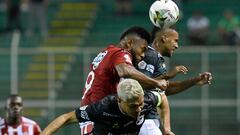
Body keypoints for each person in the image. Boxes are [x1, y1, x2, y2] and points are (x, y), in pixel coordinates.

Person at [137, 27, 213, 135]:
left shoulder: (155, 57)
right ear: (164, 38)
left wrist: (194, 81)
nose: (177, 46)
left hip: (149, 120)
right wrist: (167, 76)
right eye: (175, 41)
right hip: (144, 120)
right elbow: (139, 86)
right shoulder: (150, 55)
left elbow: (163, 89)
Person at [41, 79, 174, 135]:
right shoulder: (103, 108)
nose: (139, 109)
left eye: (140, 104)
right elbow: (66, 118)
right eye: (133, 106)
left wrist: (167, 128)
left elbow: (162, 98)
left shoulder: (146, 99)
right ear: (120, 101)